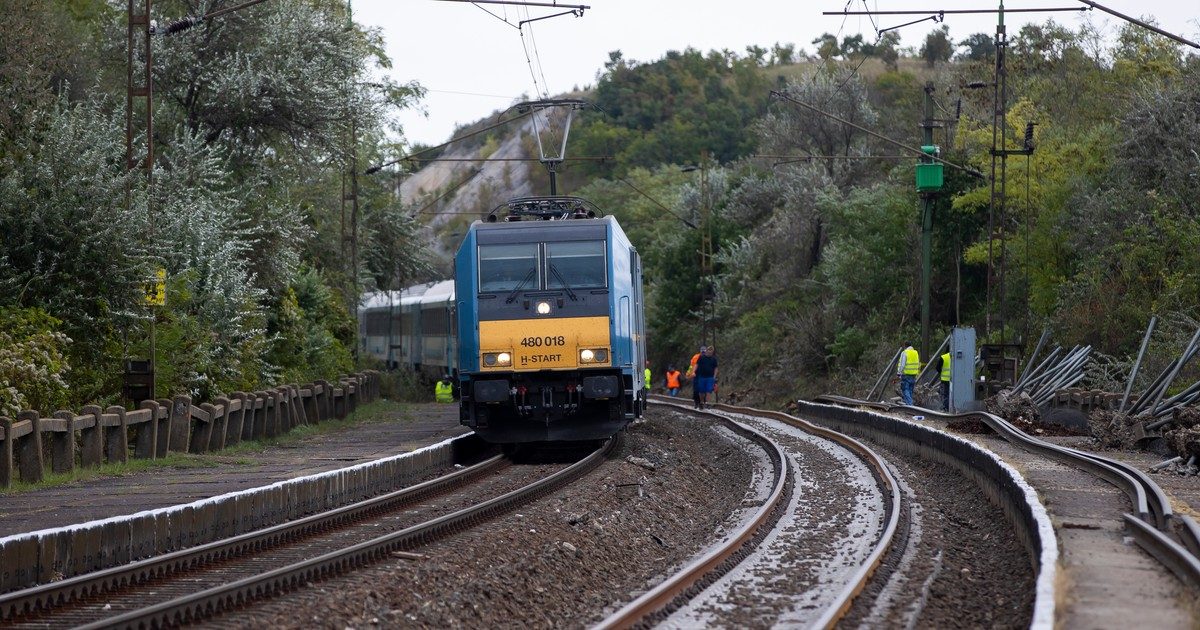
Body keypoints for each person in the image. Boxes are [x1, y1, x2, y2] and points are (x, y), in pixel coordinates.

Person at [895, 342, 920, 406]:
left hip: (906, 375)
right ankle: (909, 404)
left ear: (905, 346)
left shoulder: (905, 352)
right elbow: (918, 363)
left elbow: (902, 365)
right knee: (910, 390)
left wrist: (899, 373)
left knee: (905, 389)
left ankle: (910, 405)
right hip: (914, 374)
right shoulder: (915, 352)